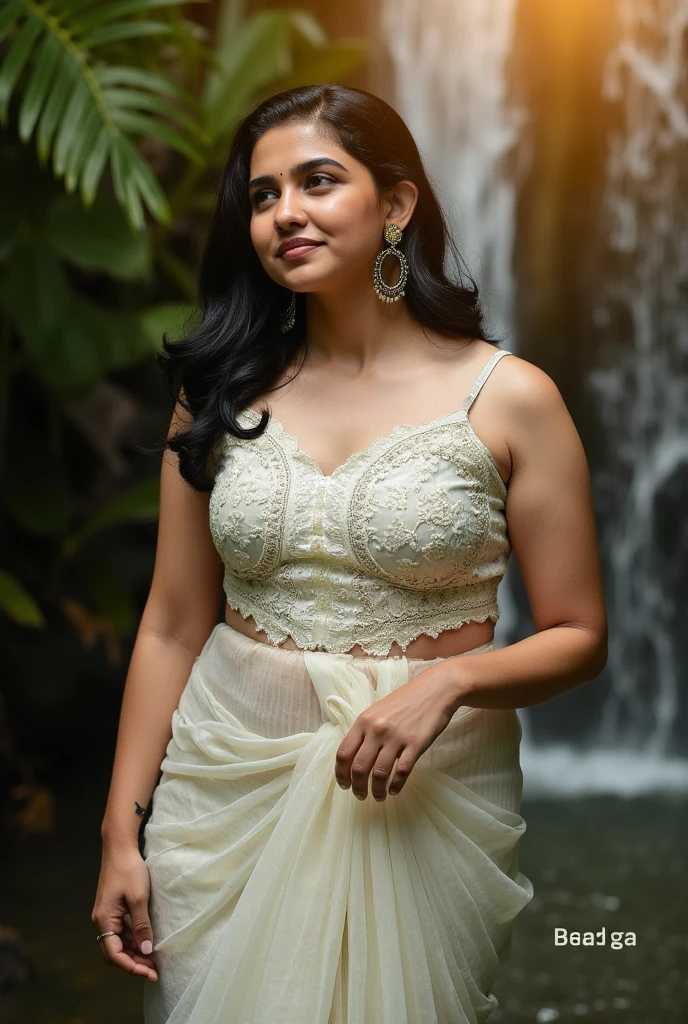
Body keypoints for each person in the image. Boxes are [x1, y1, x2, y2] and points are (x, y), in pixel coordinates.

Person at [91, 84, 608, 1023]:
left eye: (318, 181)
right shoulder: (217, 391)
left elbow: (580, 635)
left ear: (396, 205)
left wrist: (449, 685)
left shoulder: (510, 399)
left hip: (421, 786)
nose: (284, 211)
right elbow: (171, 625)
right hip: (222, 780)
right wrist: (120, 833)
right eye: (261, 195)